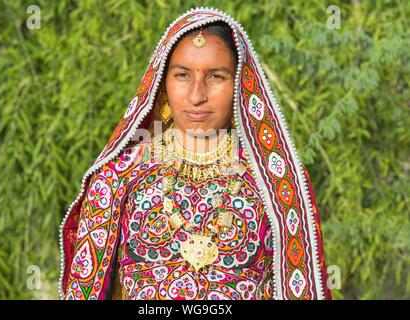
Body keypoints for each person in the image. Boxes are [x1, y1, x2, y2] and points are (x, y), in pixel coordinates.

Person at [59, 7, 332, 300]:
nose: (196, 95)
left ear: (239, 85)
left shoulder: (278, 185)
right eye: (182, 75)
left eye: (215, 76)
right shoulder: (116, 178)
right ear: (163, 84)